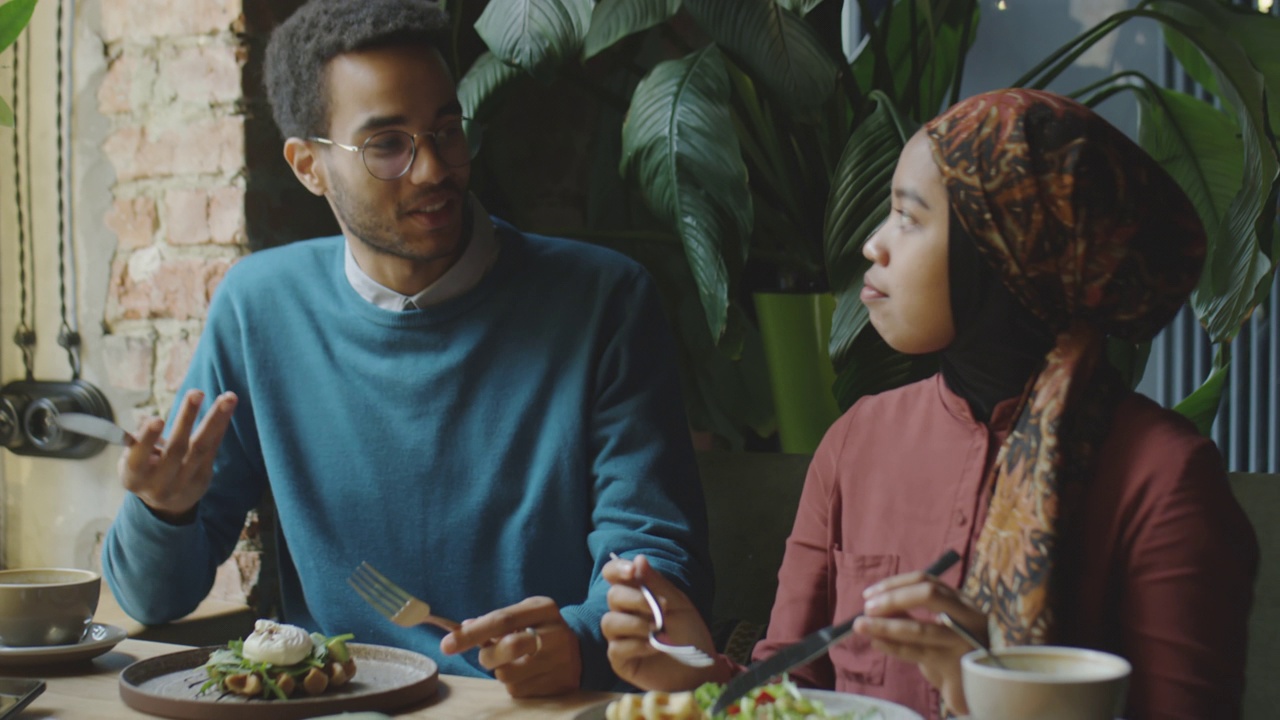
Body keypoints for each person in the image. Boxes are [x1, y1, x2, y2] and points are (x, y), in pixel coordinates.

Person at [101, 0, 713, 697]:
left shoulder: (604, 301)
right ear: (308, 166)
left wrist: (579, 640)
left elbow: (657, 563)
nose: (433, 168)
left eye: (447, 130)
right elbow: (153, 601)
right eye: (387, 144)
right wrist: (165, 513)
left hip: (542, 708)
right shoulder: (259, 307)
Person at [601, 88, 1257, 718]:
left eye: (909, 218)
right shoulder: (857, 442)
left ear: (1009, 251)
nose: (873, 244)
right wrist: (693, 666)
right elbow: (795, 696)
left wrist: (996, 687)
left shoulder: (1165, 479)